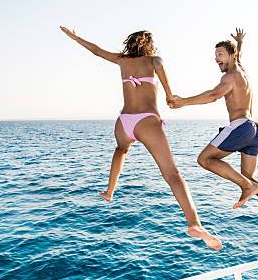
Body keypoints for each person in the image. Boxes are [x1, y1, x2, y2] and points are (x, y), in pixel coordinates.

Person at [59, 26, 222, 250]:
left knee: (121, 150)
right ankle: (193, 222)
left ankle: (109, 191)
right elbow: (167, 88)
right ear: (149, 45)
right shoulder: (154, 60)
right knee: (172, 174)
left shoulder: (121, 60)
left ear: (131, 43)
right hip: (147, 121)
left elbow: (96, 50)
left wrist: (74, 36)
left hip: (124, 120)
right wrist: (170, 96)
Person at [169, 29, 258, 236]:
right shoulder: (240, 70)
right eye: (216, 56)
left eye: (221, 55)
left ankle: (246, 186)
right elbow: (239, 56)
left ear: (230, 55)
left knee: (204, 159)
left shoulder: (230, 77)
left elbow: (214, 95)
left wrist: (183, 102)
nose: (217, 59)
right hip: (254, 130)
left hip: (240, 126)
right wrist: (240, 43)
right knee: (248, 176)